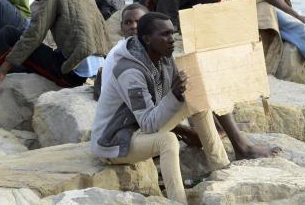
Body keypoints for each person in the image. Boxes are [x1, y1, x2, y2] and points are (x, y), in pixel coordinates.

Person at [91, 12, 227, 204]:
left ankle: (221, 168)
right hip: (116, 140)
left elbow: (171, 102)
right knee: (168, 141)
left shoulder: (163, 54)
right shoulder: (129, 71)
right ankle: (178, 201)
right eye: (165, 35)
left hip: (140, 127)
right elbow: (148, 124)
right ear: (146, 39)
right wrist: (175, 95)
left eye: (172, 33)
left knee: (195, 96)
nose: (172, 40)